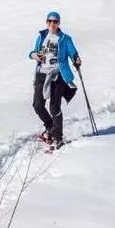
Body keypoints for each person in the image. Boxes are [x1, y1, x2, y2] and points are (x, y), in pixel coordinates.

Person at [29, 11, 81, 149]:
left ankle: (58, 137)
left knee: (54, 107)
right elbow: (33, 52)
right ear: (46, 22)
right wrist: (35, 55)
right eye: (50, 21)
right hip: (42, 74)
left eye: (55, 21)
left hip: (58, 75)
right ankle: (50, 126)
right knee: (37, 105)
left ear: (59, 23)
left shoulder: (65, 39)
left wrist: (76, 59)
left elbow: (73, 53)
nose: (52, 24)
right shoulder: (42, 36)